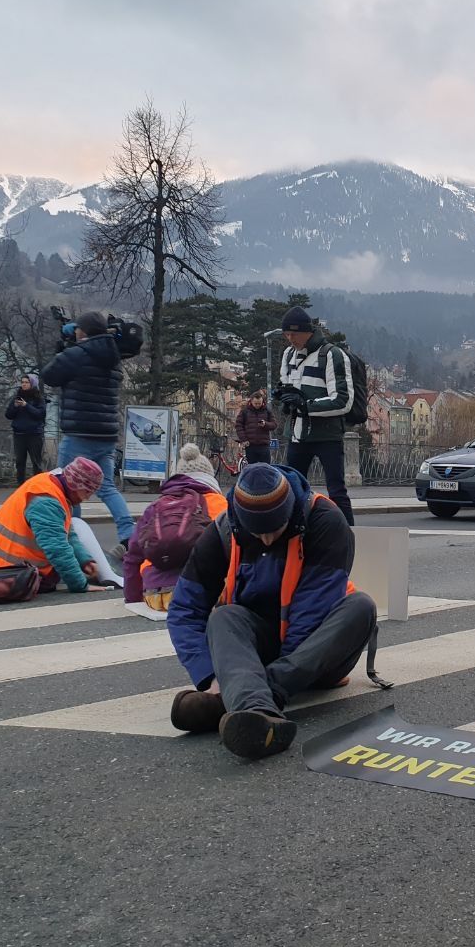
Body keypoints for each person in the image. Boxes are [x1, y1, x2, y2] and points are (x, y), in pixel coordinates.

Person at [166, 463, 378, 759]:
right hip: (255, 652)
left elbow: (311, 613)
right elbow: (185, 609)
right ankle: (258, 715)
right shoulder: (225, 529)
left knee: (362, 606)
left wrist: (248, 682)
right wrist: (211, 677)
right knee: (225, 616)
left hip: (318, 652)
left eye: (274, 531)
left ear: (291, 513)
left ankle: (246, 699)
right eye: (257, 533)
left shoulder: (326, 521)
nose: (265, 540)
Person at [40, 310, 135, 558]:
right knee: (106, 488)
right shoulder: (113, 355)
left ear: (82, 331)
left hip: (79, 431)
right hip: (106, 433)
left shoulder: (77, 354)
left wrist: (64, 348)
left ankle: (76, 539)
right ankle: (129, 534)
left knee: (69, 488)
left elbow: (49, 376)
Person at [0, 456, 113, 594]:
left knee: (63, 567)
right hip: (7, 573)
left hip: (0, 564)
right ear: (75, 484)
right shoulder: (46, 501)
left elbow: (67, 534)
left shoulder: (51, 485)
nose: (87, 498)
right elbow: (57, 549)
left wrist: (84, 560)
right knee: (55, 574)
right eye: (87, 492)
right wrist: (80, 585)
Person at [122, 444, 227, 611]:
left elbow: (133, 556)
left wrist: (133, 600)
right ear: (209, 477)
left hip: (155, 594)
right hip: (200, 593)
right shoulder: (220, 503)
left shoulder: (158, 505)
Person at [275, 306, 356, 524]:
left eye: (294, 334)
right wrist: (284, 397)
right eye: (286, 334)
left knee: (336, 491)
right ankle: (294, 539)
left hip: (327, 435)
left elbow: (343, 400)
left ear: (308, 331)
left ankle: (348, 539)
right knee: (291, 490)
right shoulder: (288, 355)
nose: (290, 339)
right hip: (297, 434)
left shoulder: (332, 355)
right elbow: (288, 387)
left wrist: (304, 405)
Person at [5, 374, 46, 484]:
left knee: (36, 462)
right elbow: (8, 415)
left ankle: (38, 485)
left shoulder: (38, 398)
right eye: (22, 382)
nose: (24, 384)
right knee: (19, 462)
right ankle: (21, 486)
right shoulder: (17, 397)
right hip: (19, 434)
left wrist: (26, 405)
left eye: (26, 382)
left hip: (34, 434)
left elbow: (40, 414)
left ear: (32, 384)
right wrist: (15, 406)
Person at [234, 388, 277, 465]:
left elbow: (274, 425)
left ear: (262, 402)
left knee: (265, 468)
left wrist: (265, 424)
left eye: (259, 403)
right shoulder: (245, 411)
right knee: (252, 469)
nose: (257, 405)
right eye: (255, 403)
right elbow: (238, 426)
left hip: (264, 445)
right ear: (251, 401)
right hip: (250, 445)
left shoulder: (267, 411)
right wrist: (244, 439)